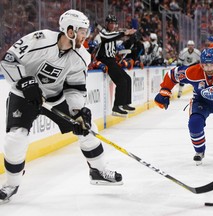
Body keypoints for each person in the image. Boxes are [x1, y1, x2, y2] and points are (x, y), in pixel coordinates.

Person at [0, 9, 123, 203]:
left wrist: (78, 111)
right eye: (83, 31)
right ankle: (11, 184)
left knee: (87, 129)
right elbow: (8, 60)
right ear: (70, 31)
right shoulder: (39, 39)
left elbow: (75, 88)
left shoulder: (82, 55)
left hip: (54, 98)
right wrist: (24, 81)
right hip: (23, 96)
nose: (86, 35)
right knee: (15, 138)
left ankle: (98, 170)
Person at [95, 14, 137, 117]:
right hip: (105, 60)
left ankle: (125, 103)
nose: (112, 25)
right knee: (121, 81)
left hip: (112, 60)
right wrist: (124, 33)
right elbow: (107, 37)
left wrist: (129, 36)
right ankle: (116, 107)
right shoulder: (103, 33)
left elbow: (116, 43)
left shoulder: (114, 34)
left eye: (114, 23)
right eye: (110, 23)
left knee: (127, 79)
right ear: (106, 24)